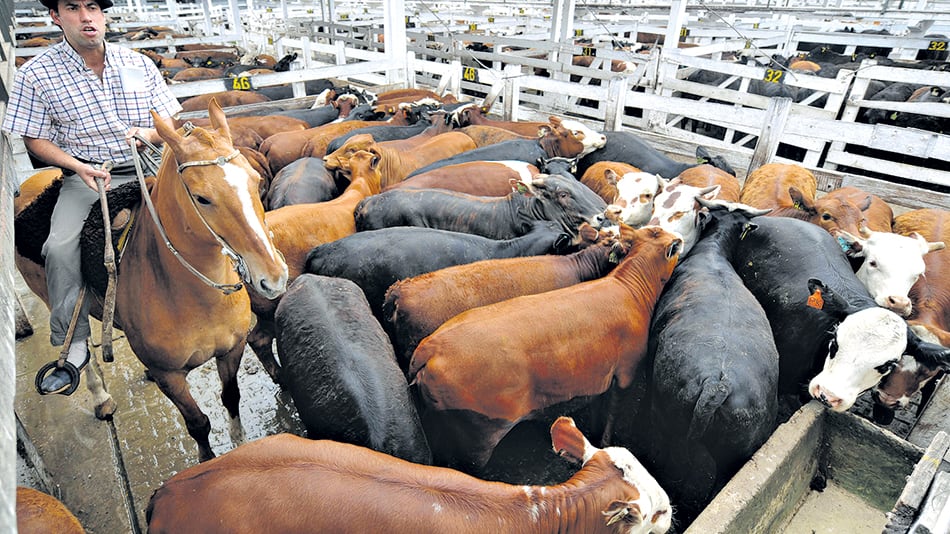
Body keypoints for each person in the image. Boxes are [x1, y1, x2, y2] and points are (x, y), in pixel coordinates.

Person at [2, 0, 183, 394]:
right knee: (59, 248)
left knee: (214, 210)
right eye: (73, 7)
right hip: (88, 177)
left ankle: (242, 292)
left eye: (93, 7)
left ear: (102, 13)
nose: (86, 17)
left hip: (150, 166)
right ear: (56, 16)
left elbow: (167, 120)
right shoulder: (36, 74)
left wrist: (148, 134)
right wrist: (76, 166)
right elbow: (34, 139)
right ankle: (75, 343)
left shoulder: (138, 63)